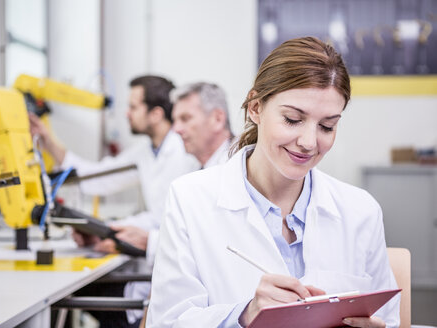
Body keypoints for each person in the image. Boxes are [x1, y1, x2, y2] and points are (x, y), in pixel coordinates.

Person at [147, 37, 400, 328]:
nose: (308, 142)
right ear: (255, 108)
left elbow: (389, 319)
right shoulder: (190, 198)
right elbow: (167, 322)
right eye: (292, 119)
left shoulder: (360, 210)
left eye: (327, 126)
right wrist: (245, 315)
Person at [29, 75, 198, 327]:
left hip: (168, 275)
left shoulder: (184, 152)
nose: (127, 114)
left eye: (133, 107)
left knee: (76, 293)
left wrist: (113, 231)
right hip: (149, 262)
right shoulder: (147, 151)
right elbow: (97, 178)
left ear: (155, 114)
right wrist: (47, 140)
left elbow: (170, 221)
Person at [171, 82, 233, 169]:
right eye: (174, 121)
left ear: (217, 119)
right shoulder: (194, 168)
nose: (176, 129)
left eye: (185, 118)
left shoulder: (242, 167)